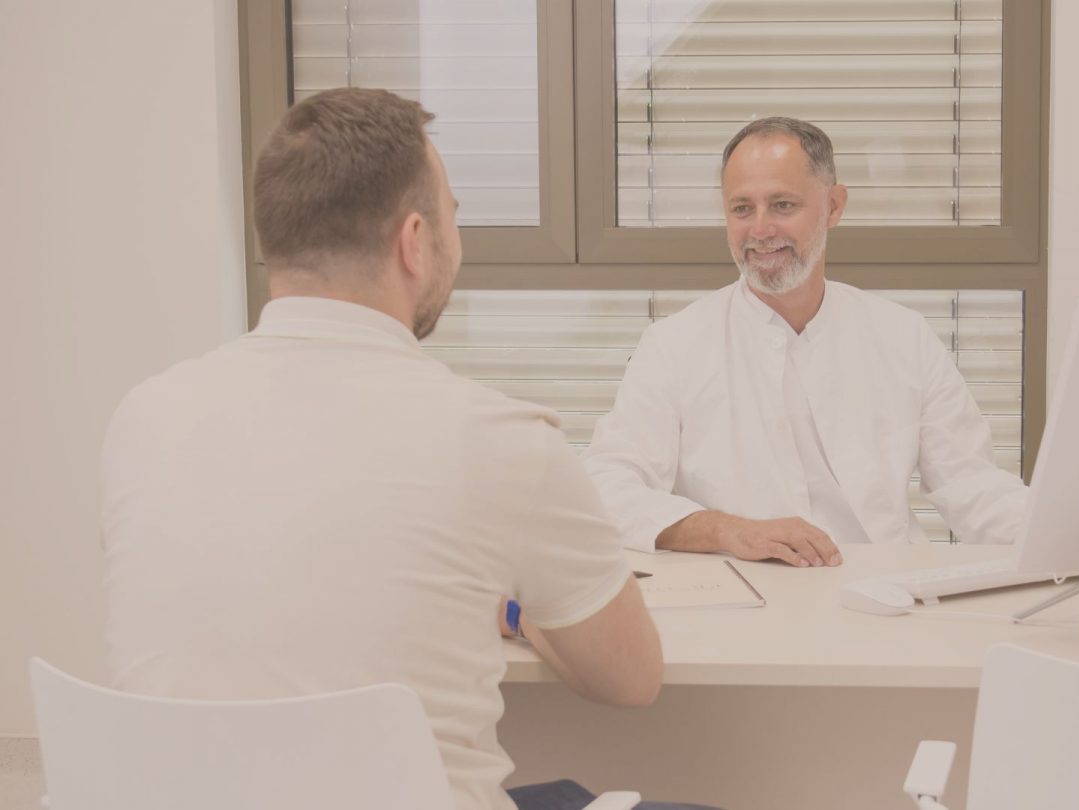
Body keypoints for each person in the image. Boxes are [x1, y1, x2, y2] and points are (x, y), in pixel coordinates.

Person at [101, 88, 715, 810]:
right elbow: (630, 678)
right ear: (414, 241)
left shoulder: (145, 416)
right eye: (455, 216)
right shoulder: (496, 440)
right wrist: (515, 610)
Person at [582, 117, 1028, 567]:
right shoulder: (672, 347)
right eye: (741, 209)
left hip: (886, 596)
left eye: (782, 205)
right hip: (743, 603)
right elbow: (606, 486)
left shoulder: (904, 337)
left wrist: (1078, 532)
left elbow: (972, 485)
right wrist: (727, 529)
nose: (760, 229)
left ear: (834, 206)